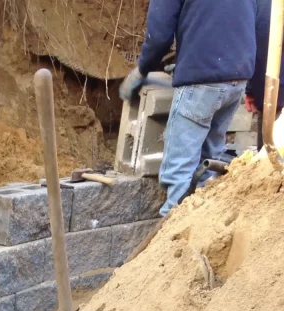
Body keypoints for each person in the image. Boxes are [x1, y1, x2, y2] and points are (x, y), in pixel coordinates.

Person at [120, 0, 257, 215]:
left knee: (179, 174)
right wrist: (255, 86)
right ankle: (200, 232)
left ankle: (170, 240)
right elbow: (265, 26)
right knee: (207, 167)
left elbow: (159, 36)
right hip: (238, 79)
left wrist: (142, 69)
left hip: (201, 82)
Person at [244, 0, 284, 149]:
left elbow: (258, 41)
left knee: (268, 163)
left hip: (272, 94)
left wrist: (252, 89)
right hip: (272, 93)